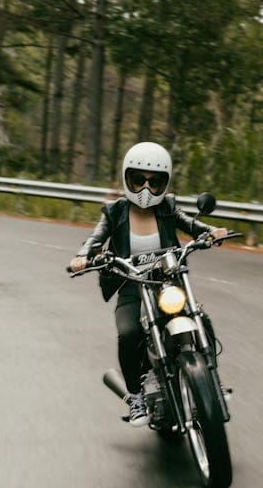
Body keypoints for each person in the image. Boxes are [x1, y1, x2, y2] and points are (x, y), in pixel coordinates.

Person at [69, 142, 227, 426]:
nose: (145, 189)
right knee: (129, 334)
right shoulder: (114, 211)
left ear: (164, 184)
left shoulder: (167, 207)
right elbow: (96, 238)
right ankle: (136, 397)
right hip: (131, 283)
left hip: (167, 281)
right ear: (127, 178)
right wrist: (84, 255)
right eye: (138, 180)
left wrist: (210, 232)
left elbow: (190, 224)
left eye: (154, 183)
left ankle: (210, 381)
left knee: (198, 318)